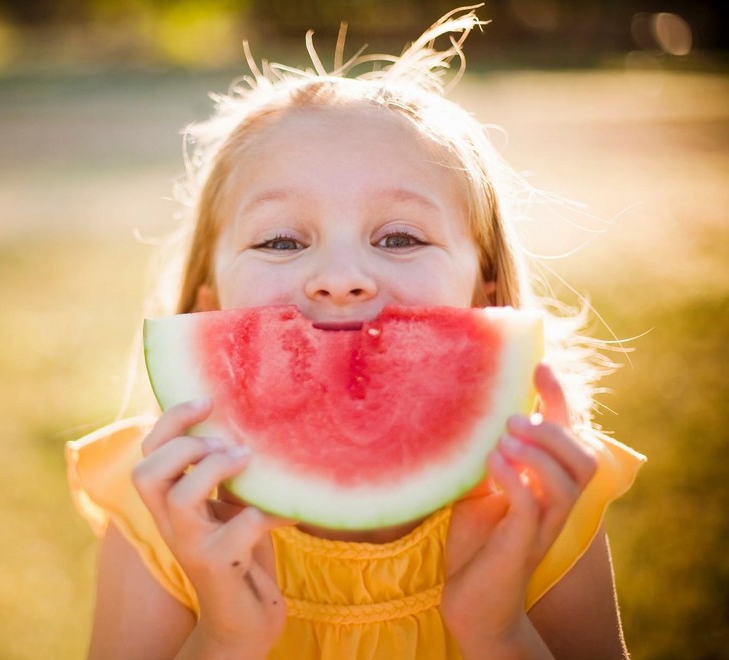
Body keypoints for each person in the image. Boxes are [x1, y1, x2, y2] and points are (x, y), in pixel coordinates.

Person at [67, 8, 644, 659]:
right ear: (210, 306)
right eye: (282, 240)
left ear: (486, 292)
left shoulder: (538, 502)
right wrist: (226, 636)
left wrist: (497, 630)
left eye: (399, 237)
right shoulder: (165, 513)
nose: (340, 278)